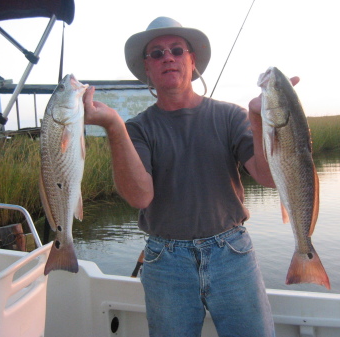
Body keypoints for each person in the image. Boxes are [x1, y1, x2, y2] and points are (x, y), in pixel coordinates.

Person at [84, 16, 298, 337]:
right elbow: (140, 197)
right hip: (165, 261)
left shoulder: (230, 115)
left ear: (192, 61)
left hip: (233, 254)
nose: (167, 57)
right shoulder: (136, 129)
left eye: (177, 50)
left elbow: (267, 176)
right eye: (156, 53)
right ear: (147, 69)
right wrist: (114, 124)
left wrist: (258, 117)